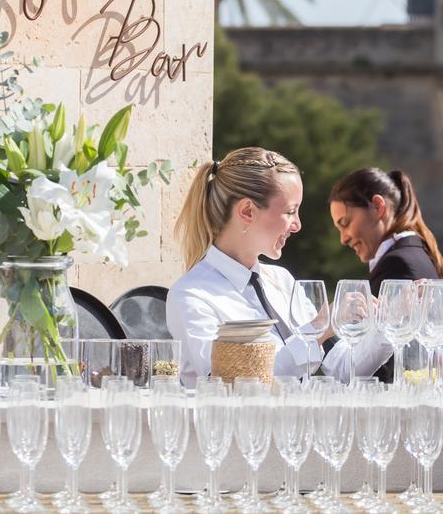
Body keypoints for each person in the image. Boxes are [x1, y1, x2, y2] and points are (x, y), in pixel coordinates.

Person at [167, 147, 391, 385]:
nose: (297, 225)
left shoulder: (282, 280)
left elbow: (344, 368)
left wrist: (390, 326)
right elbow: (232, 385)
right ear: (246, 211)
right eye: (290, 212)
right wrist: (319, 327)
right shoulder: (192, 297)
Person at [328, 167, 443, 295]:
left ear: (378, 207)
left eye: (345, 223)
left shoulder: (397, 264)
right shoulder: (417, 253)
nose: (343, 239)